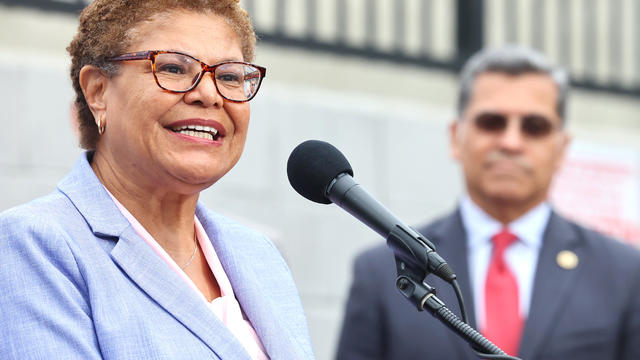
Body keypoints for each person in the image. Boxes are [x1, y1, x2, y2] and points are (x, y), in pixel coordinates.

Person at [0, 1, 314, 359]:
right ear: (98, 92)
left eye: (229, 76)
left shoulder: (259, 255)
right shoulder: (36, 245)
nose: (209, 95)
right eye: (173, 68)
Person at [335, 46, 640, 360]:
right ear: (456, 137)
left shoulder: (624, 273)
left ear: (562, 148)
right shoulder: (381, 272)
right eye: (492, 122)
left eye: (534, 127)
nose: (511, 142)